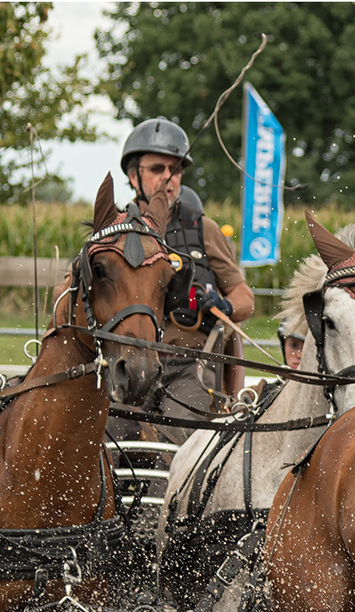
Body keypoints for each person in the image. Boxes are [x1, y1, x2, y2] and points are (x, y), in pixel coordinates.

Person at [117, 118, 256, 439]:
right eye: (157, 169)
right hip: (128, 362)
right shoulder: (115, 230)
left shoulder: (203, 229)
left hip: (188, 368)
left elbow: (245, 298)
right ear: (133, 175)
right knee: (110, 435)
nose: (168, 177)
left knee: (181, 437)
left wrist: (225, 304)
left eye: (175, 170)